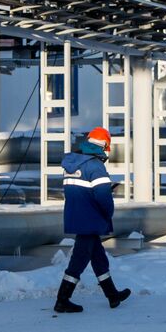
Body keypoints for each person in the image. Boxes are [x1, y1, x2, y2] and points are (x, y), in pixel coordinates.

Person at [54, 127, 132, 314]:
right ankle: (62, 300)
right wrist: (108, 212)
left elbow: (79, 191)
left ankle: (112, 295)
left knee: (98, 257)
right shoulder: (95, 166)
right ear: (104, 146)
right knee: (79, 260)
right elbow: (103, 195)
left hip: (77, 216)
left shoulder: (73, 163)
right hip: (90, 218)